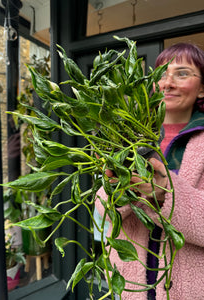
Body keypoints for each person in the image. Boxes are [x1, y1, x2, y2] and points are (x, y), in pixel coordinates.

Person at [95, 42, 204, 300]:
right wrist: (115, 191)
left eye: (182, 73)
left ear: (202, 89)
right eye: (162, 74)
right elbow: (103, 213)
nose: (168, 83)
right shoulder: (129, 138)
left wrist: (167, 194)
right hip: (133, 289)